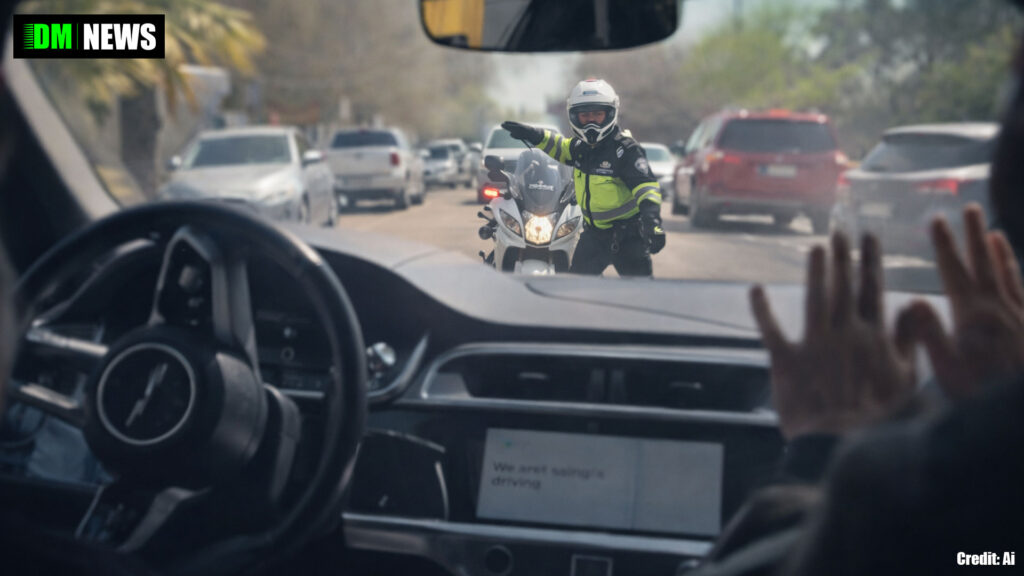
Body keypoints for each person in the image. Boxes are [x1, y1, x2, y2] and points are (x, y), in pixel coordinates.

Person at [502, 78, 666, 277]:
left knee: (641, 291)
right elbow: (559, 146)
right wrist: (532, 134)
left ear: (610, 113)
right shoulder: (580, 148)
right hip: (594, 237)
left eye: (597, 114)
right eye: (585, 115)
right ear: (575, 116)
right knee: (575, 288)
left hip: (629, 237)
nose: (591, 122)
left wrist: (653, 223)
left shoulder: (626, 150)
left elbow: (646, 188)